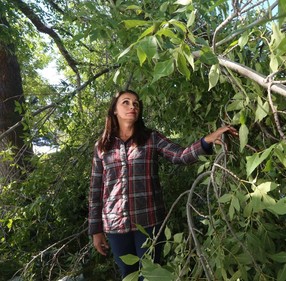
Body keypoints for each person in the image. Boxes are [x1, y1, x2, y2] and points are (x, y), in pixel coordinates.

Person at [88, 89, 237, 280]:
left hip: (149, 221)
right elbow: (96, 188)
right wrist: (96, 230)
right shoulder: (102, 145)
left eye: (136, 103)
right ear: (114, 110)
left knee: (152, 276)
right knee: (128, 275)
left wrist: (207, 140)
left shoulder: (151, 138)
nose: (132, 106)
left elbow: (180, 156)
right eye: (125, 102)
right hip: (116, 225)